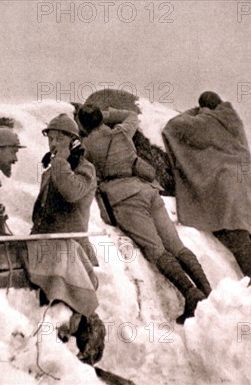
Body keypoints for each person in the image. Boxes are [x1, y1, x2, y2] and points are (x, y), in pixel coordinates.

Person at [78, 103, 211, 324]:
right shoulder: (121, 132)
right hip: (148, 190)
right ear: (101, 119)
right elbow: (132, 114)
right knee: (176, 245)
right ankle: (206, 289)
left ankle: (190, 293)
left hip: (125, 200)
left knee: (156, 250)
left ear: (82, 124)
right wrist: (109, 115)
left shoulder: (86, 147)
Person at [162, 91, 251, 282]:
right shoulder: (233, 118)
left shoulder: (208, 121)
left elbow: (174, 127)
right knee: (249, 238)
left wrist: (194, 111)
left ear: (204, 108)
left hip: (226, 188)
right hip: (244, 189)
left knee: (236, 238)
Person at [29, 113, 104, 365]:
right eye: (50, 138)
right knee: (50, 310)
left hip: (72, 251)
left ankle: (90, 344)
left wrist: (61, 161)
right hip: (47, 251)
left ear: (73, 141)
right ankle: (56, 361)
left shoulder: (85, 169)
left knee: (71, 311)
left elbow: (71, 193)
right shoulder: (54, 170)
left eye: (59, 138)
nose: (52, 144)